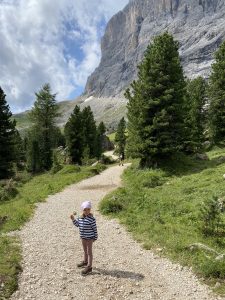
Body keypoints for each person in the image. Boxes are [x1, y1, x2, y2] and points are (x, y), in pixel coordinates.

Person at [70, 201, 98, 275]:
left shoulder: (92, 219)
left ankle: (89, 266)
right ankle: (85, 262)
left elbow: (95, 229)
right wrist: (73, 219)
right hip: (83, 237)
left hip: (90, 238)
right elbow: (77, 225)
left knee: (89, 252)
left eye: (88, 209)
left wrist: (95, 237)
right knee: (85, 251)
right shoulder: (80, 218)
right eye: (85, 209)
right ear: (82, 210)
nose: (86, 211)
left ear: (90, 210)